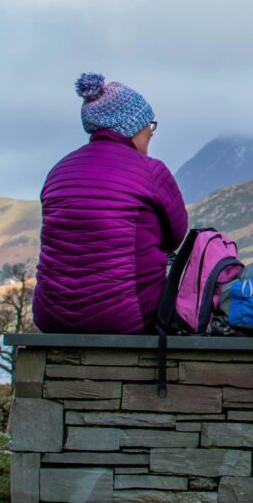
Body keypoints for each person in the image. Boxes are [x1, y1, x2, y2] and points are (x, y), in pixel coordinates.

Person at [34, 73, 188, 334]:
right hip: (127, 318)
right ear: (132, 126)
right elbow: (176, 235)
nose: (151, 133)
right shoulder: (150, 171)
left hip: (51, 316)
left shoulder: (59, 170)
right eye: (148, 125)